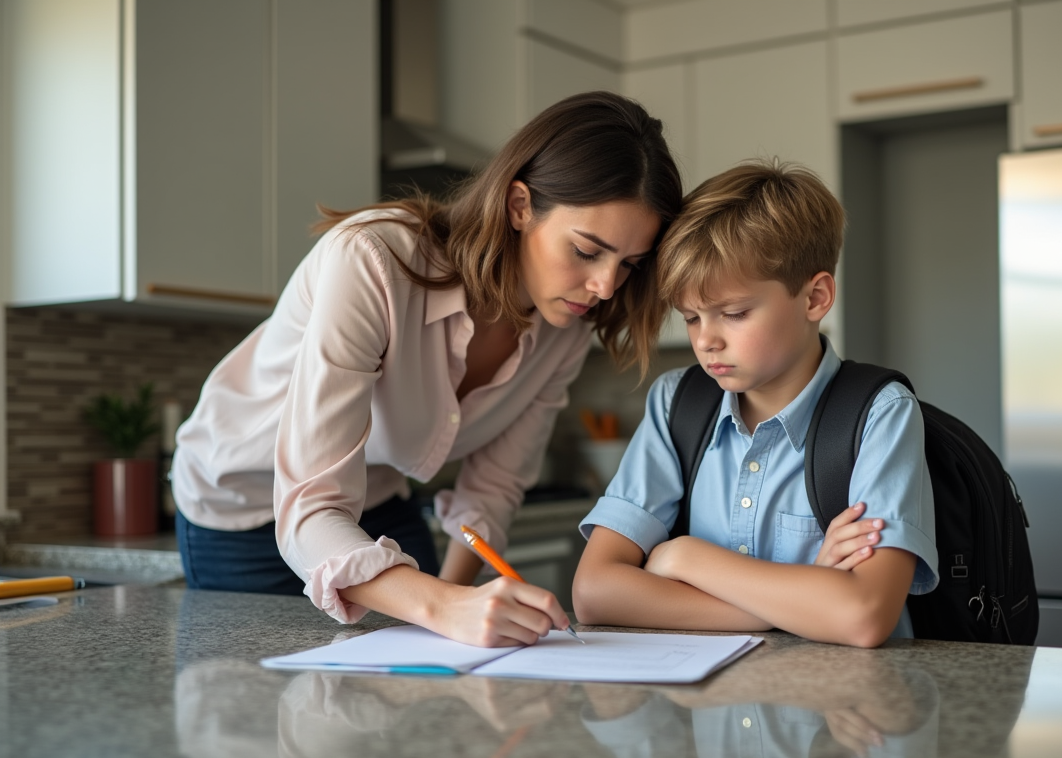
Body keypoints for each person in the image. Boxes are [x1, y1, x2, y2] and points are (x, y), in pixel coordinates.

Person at [171, 91, 682, 647]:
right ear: (519, 206)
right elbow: (310, 508)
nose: (606, 286)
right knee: (270, 696)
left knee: (414, 691)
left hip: (374, 501)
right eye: (586, 251)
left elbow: (494, 487)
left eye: (629, 265)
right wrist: (444, 607)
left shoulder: (567, 329)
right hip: (241, 508)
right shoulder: (373, 260)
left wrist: (460, 610)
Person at [571, 160, 938, 648]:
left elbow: (863, 616)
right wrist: (802, 601)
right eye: (692, 318)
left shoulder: (880, 414)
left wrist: (685, 558)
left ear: (815, 298)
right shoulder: (674, 404)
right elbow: (594, 592)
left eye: (735, 313)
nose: (706, 341)